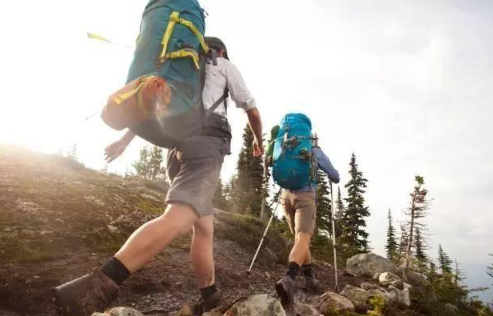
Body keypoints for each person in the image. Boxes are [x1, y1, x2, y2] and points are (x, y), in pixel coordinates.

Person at [54, 37, 263, 316]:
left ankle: (210, 297)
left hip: (176, 149)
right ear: (221, 50)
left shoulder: (181, 68)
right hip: (207, 144)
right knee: (179, 215)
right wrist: (258, 141)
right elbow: (251, 108)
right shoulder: (223, 64)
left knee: (203, 227)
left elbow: (153, 106)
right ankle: (98, 285)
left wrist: (125, 142)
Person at [275, 137, 339, 307]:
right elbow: (334, 175)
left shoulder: (286, 146)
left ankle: (310, 278)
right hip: (305, 196)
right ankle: (289, 278)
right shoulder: (315, 150)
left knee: (300, 240)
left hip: (285, 196)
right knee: (303, 239)